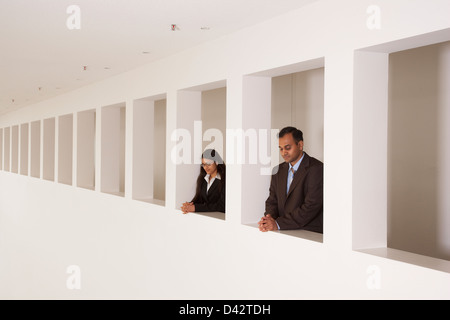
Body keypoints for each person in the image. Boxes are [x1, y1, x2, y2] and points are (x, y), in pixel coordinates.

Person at [258, 126, 323, 233]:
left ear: (300, 145)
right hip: (283, 232)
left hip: (308, 234)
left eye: (288, 148)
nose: (284, 152)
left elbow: (311, 206)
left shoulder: (317, 168)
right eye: (281, 148)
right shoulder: (277, 170)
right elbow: (272, 201)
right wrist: (269, 219)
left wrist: (278, 224)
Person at [181, 149, 226, 214]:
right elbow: (199, 198)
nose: (205, 167)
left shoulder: (224, 179)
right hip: (206, 218)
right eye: (203, 164)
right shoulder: (203, 178)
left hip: (220, 220)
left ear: (216, 162)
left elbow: (222, 205)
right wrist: (190, 205)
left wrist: (195, 208)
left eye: (208, 164)